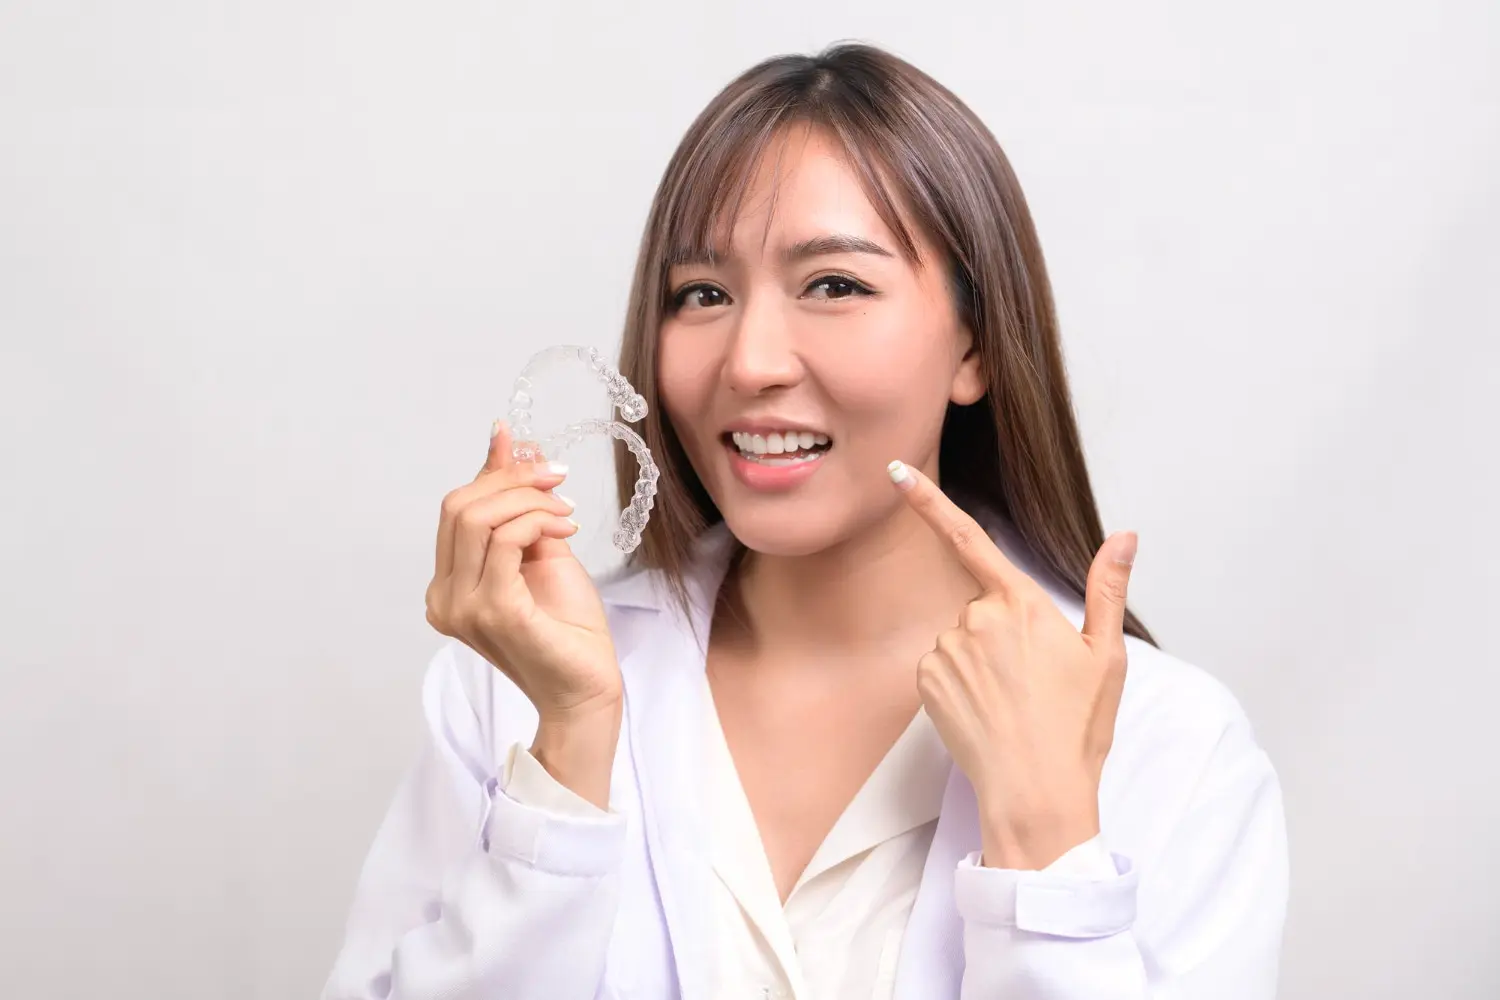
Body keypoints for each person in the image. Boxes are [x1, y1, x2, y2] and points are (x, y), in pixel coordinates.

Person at [321, 43, 1288, 1000]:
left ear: (975, 348)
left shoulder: (1173, 746)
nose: (749, 362)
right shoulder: (514, 693)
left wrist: (1044, 842)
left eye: (835, 285)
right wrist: (569, 757)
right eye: (703, 294)